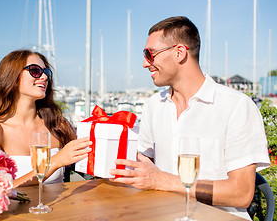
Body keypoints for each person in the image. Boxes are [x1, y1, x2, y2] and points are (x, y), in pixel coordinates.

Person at [109, 16, 270, 220]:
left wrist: (162, 181)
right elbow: (143, 167)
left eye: (149, 54)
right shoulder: (153, 106)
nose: (144, 63)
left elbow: (241, 193)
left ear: (179, 52)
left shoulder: (236, 106)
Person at [0, 49, 92, 186]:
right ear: (11, 75)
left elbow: (89, 170)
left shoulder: (57, 125)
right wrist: (54, 162)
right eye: (35, 71)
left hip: (60, 207)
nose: (44, 77)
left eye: (47, 73)